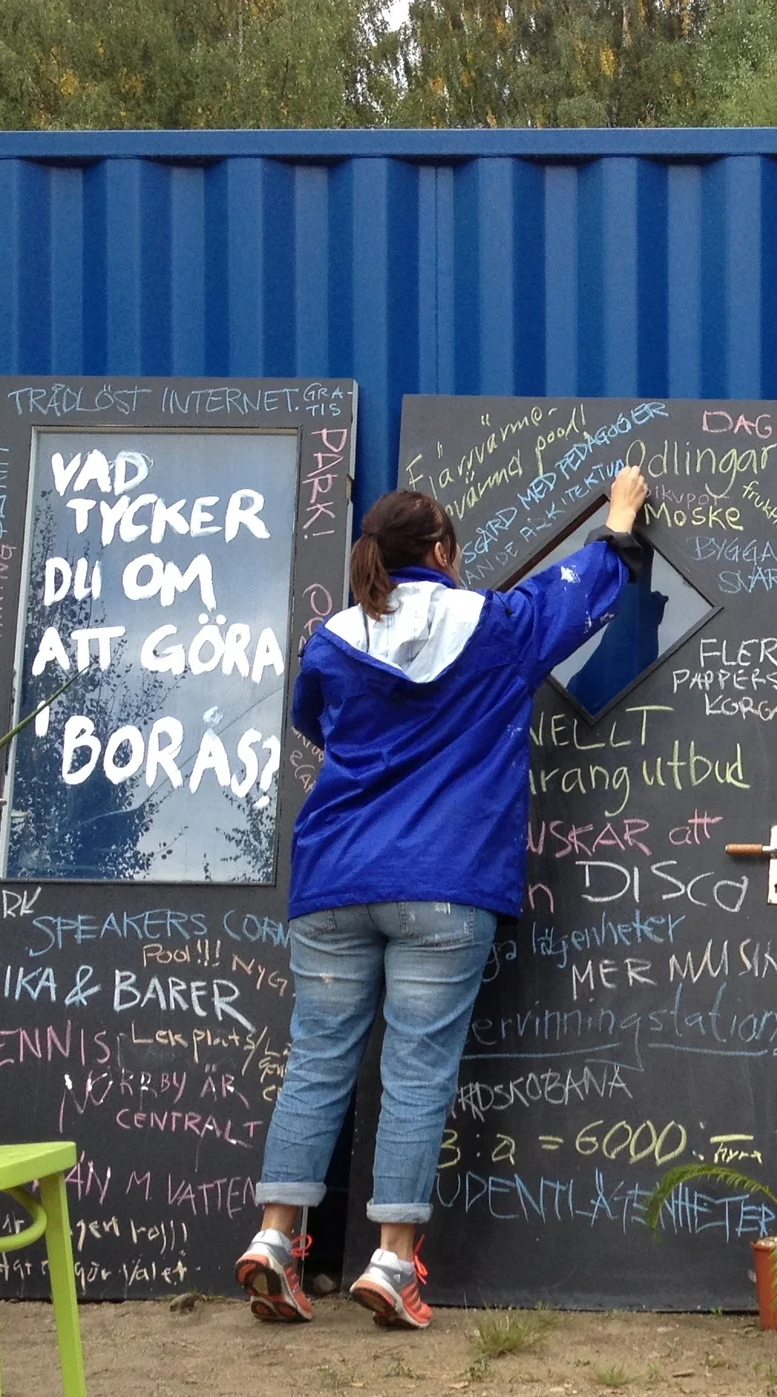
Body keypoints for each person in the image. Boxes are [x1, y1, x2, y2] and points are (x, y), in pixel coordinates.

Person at [236, 465, 651, 1329]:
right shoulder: (493, 628)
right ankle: (391, 1261)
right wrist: (617, 523)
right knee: (416, 1069)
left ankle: (276, 1239)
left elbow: (314, 722)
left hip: (335, 880)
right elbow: (573, 596)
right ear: (443, 551)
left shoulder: (331, 638)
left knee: (317, 1059)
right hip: (444, 884)